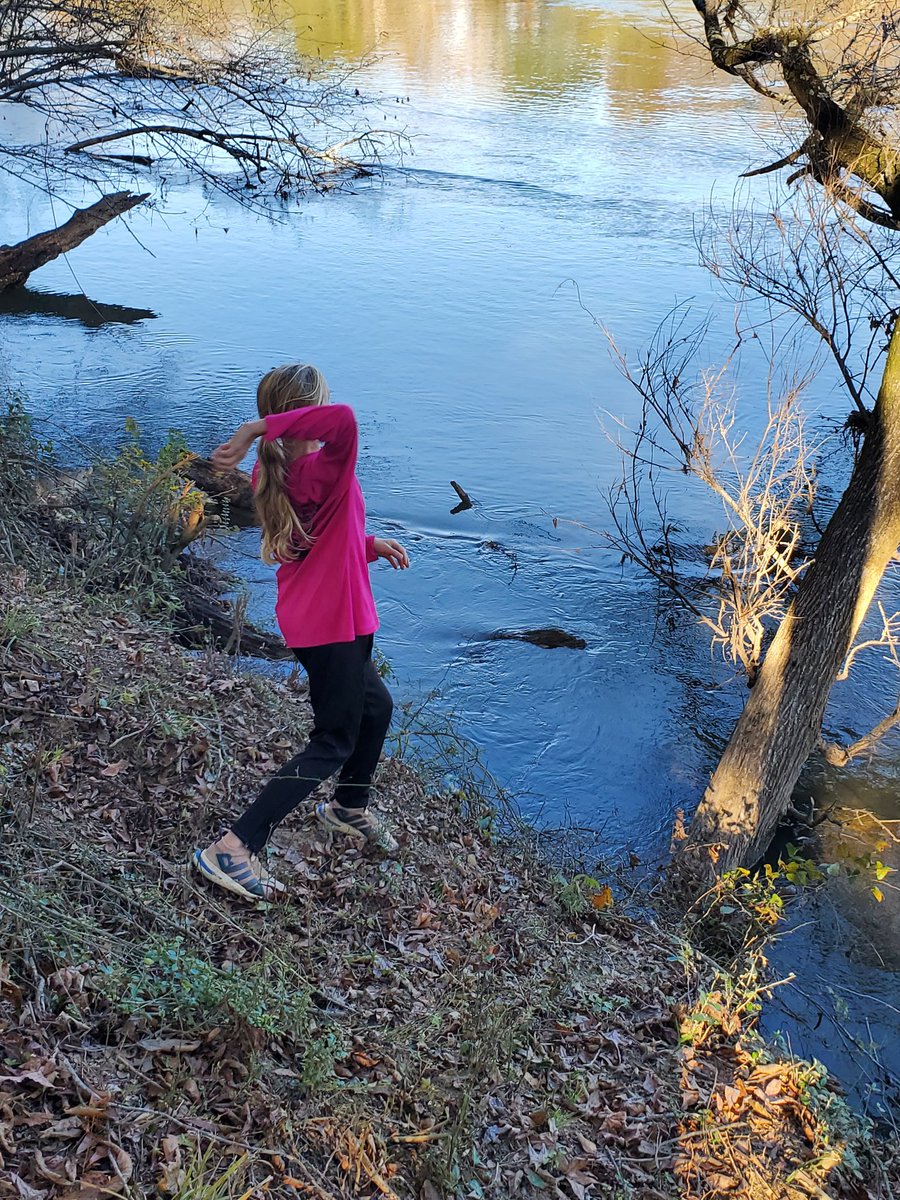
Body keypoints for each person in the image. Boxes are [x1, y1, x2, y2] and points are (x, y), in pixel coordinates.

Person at [193, 364, 409, 901]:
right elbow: (346, 420)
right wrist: (253, 429)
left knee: (375, 708)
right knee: (333, 739)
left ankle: (347, 807)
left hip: (324, 616)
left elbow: (311, 537)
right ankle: (234, 847)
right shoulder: (324, 465)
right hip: (334, 622)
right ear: (303, 414)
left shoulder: (270, 475)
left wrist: (366, 545)